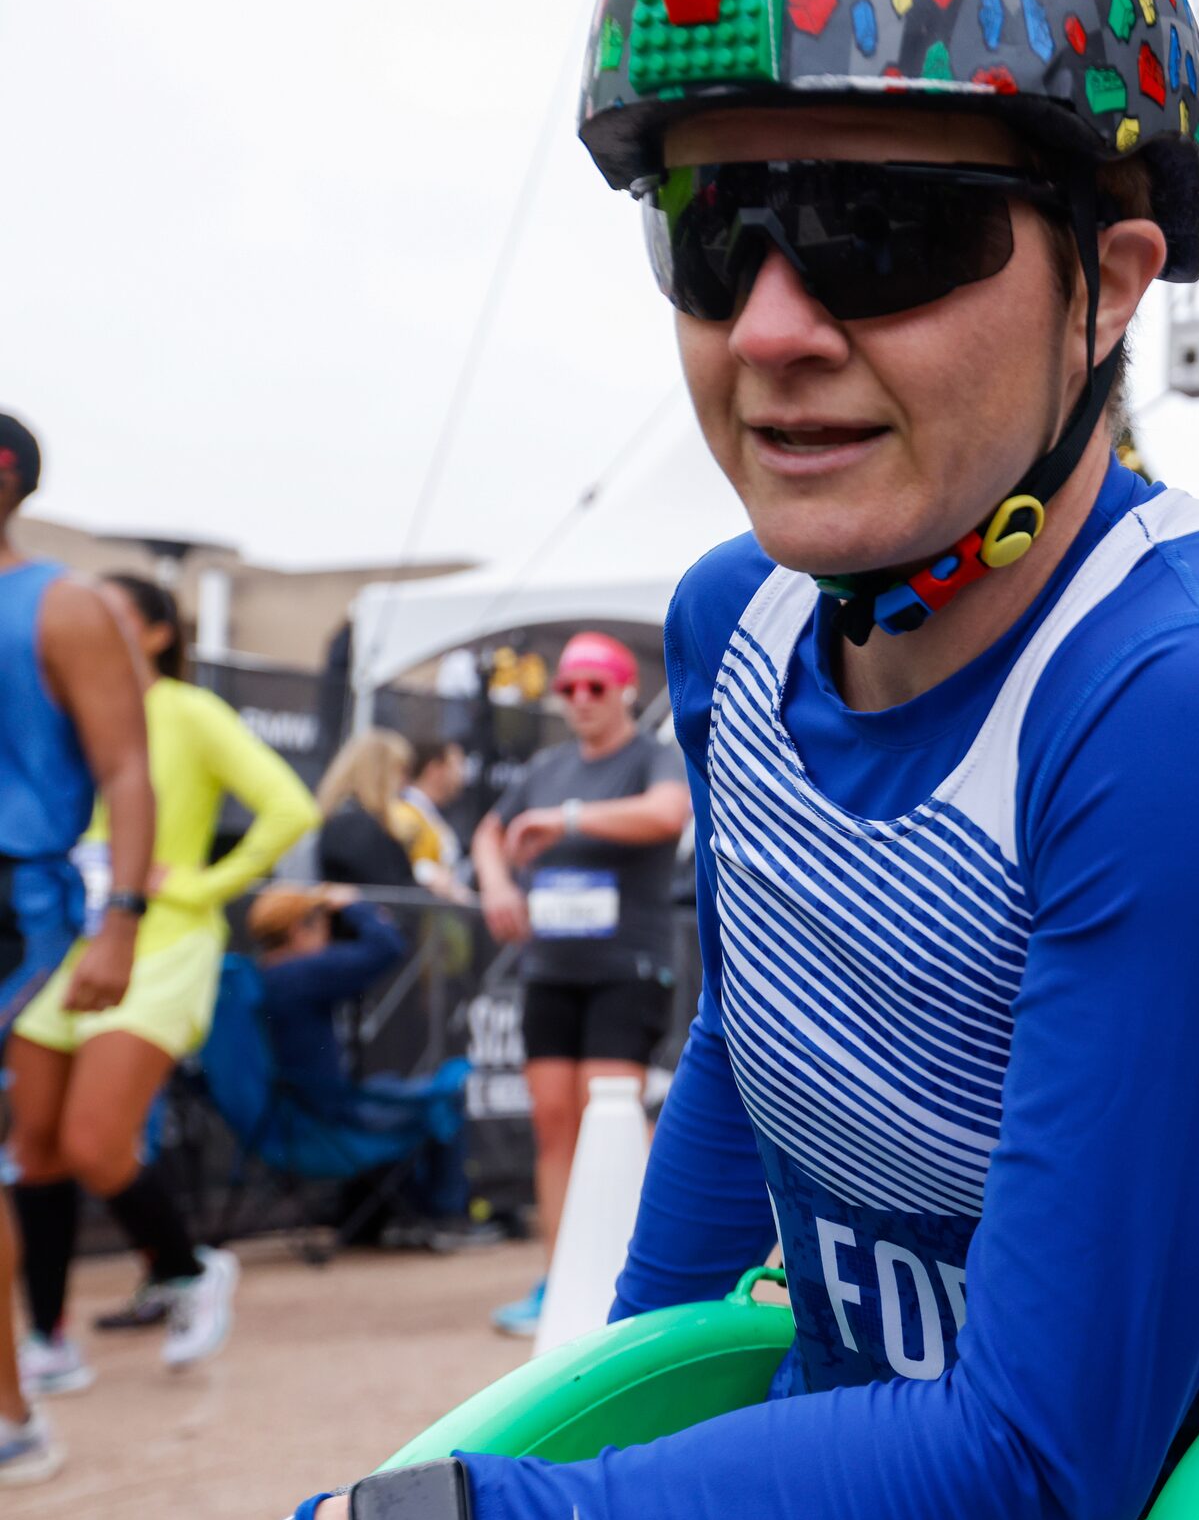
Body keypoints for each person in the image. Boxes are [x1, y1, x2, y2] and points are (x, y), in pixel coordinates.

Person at [4, 0, 1199, 1520]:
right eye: (715, 231)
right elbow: (757, 1064)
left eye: (882, 235)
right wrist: (588, 1492)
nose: (769, 330)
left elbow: (1041, 1457)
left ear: (1115, 273)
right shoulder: (731, 619)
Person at [12, 574, 313, 1397]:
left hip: (162, 941)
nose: (75, 615)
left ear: (152, 633)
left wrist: (203, 886)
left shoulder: (190, 710)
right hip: (56, 938)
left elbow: (290, 807)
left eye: (105, 606)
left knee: (93, 1141)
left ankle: (189, 1268)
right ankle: (47, 1338)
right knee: (32, 1142)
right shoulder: (59, 709)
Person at [0, 411, 155, 1488]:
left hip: (19, 896)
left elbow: (128, 772)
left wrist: (123, 918)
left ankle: (12, 1409)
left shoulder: (61, 604)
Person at [471, 632, 692, 1337]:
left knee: (614, 1118)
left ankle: (646, 1274)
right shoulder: (546, 766)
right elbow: (486, 832)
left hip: (625, 970)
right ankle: (559, 1279)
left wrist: (565, 819)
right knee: (553, 1125)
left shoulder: (651, 755)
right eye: (568, 688)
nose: (580, 700)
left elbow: (668, 812)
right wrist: (498, 885)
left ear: (626, 689)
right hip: (551, 971)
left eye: (595, 685)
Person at [248, 885, 477, 1243]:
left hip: (303, 1115)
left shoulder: (263, 975)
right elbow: (387, 946)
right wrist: (355, 906)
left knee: (389, 1085)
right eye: (322, 924)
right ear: (297, 931)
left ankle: (399, 1214)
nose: (327, 934)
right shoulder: (301, 973)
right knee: (446, 1092)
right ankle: (446, 1217)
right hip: (326, 1123)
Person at [314, 729, 423, 893]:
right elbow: (388, 891)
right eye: (402, 771)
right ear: (380, 774)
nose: (405, 783)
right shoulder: (356, 827)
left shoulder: (344, 817)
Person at [392, 737, 472, 900]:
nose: (462, 775)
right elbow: (406, 866)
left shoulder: (425, 814)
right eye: (457, 764)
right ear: (434, 769)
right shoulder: (405, 815)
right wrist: (428, 874)